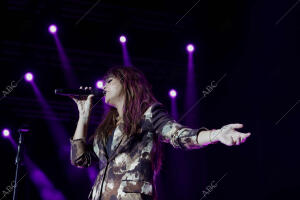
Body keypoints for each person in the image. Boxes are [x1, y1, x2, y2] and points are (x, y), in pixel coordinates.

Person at [70, 66, 251, 200]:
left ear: (127, 83)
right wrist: (84, 115)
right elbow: (79, 159)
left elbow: (178, 135)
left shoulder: (148, 114)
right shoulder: (107, 129)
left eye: (110, 80)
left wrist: (216, 134)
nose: (104, 85)